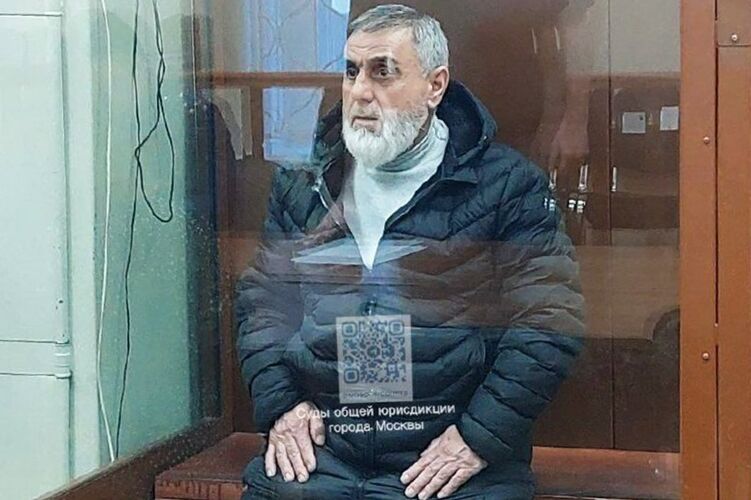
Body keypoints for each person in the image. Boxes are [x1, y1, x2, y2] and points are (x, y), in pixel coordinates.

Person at [236, 4, 585, 499]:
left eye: (383, 72)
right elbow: (263, 307)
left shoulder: (506, 186)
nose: (360, 92)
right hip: (323, 455)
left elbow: (549, 320)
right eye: (351, 72)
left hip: (448, 462)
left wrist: (479, 438)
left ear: (435, 86)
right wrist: (282, 407)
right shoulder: (305, 185)